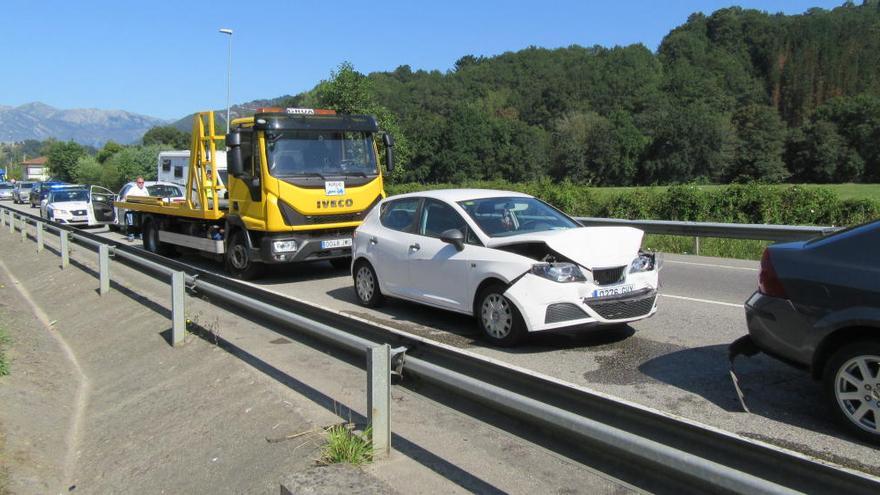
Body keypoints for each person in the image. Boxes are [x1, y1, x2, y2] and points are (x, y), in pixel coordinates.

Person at [124, 177, 149, 241]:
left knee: (141, 223)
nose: (141, 184)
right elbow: (126, 196)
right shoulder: (133, 189)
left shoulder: (145, 189)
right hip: (132, 209)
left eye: (142, 182)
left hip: (141, 209)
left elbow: (148, 198)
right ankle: (131, 235)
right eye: (139, 182)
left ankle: (141, 235)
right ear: (136, 183)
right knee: (131, 223)